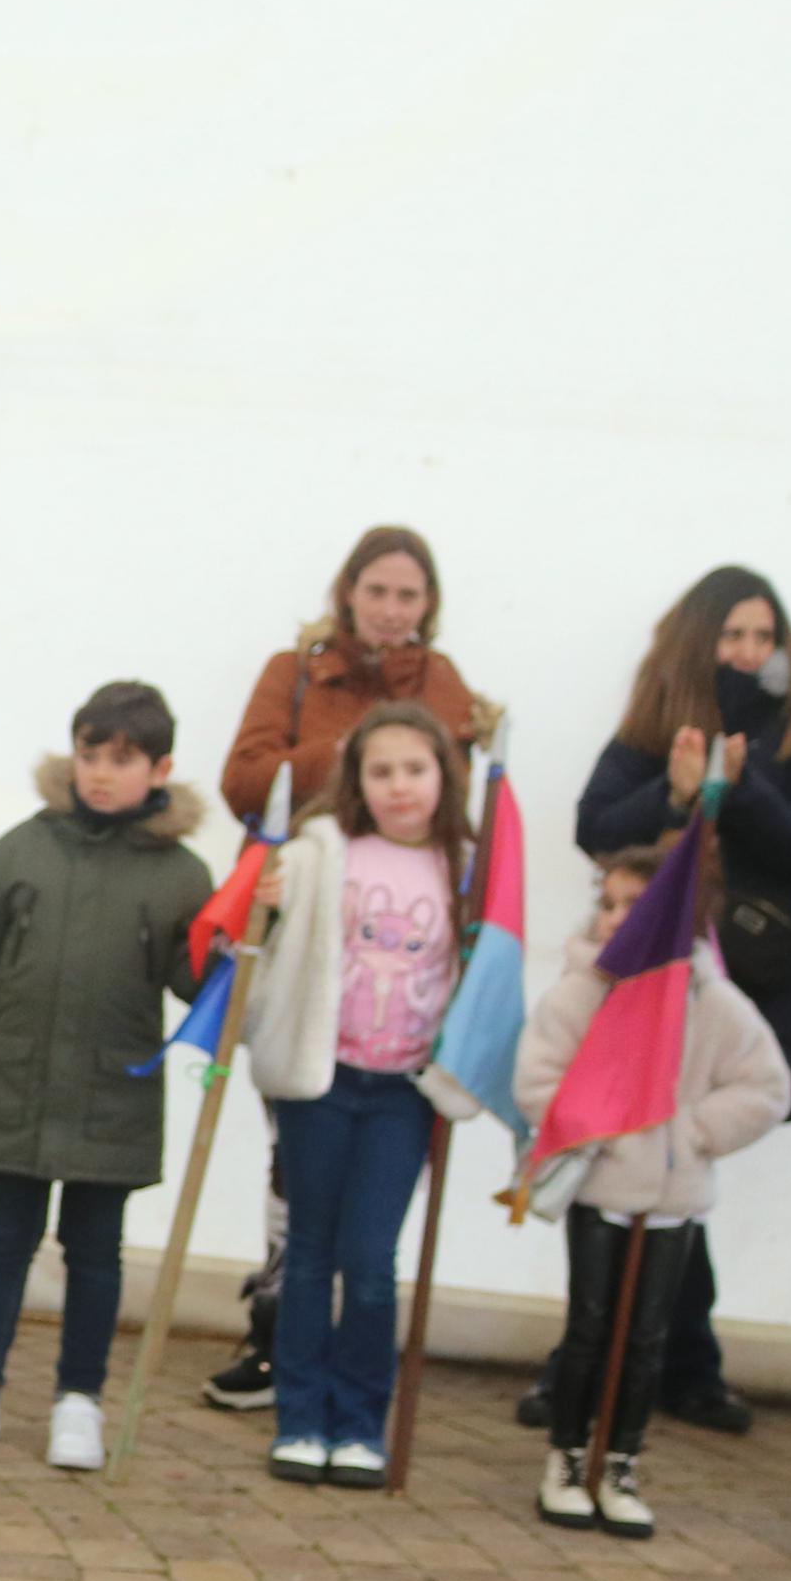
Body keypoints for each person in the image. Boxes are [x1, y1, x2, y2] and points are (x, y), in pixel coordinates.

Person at [546, 565, 791, 1437]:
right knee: (642, 1157)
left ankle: (649, 1355)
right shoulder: (654, 721)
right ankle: (635, 1357)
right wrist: (676, 793)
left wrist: (734, 787)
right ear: (697, 640)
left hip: (747, 976)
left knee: (679, 1162)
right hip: (646, 979)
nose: (749, 653)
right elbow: (597, 828)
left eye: (763, 636)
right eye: (732, 636)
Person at [205, 526, 489, 1413]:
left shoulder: (445, 686)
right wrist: (358, 753)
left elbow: (450, 804)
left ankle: (346, 1359)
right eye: (378, 592)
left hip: (395, 942)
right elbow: (244, 781)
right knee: (295, 1149)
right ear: (348, 591)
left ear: (427, 604)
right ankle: (274, 1322)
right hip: (309, 916)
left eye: (409, 596)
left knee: (371, 1190)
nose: (392, 611)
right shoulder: (294, 670)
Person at [0, 679, 211, 1471]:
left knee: (95, 1251)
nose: (102, 772)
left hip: (115, 1094)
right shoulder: (18, 850)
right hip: (14, 1088)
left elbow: (194, 981)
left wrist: (246, 928)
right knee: (2, 1240)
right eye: (89, 754)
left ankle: (80, 1401)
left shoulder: (179, 873)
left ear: (160, 766)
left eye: (122, 758)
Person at [510, 840, 791, 1536]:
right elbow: (536, 1079)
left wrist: (691, 1132)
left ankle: (621, 1459)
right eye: (605, 903)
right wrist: (597, 1122)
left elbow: (764, 1086)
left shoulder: (713, 1003)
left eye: (633, 904)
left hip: (671, 1197)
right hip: (599, 1189)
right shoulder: (577, 993)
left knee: (645, 1337)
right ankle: (568, 1458)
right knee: (589, 1327)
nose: (613, 918)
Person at [245, 700, 471, 1485]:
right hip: (322, 1077)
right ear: (357, 780)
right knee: (308, 1250)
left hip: (404, 1090)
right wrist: (264, 899)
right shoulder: (324, 851)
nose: (399, 786)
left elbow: (479, 973)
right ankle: (299, 1416)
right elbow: (266, 925)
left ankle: (359, 1423)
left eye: (415, 768)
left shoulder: (464, 867)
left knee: (369, 1258)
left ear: (443, 774)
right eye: (381, 771)